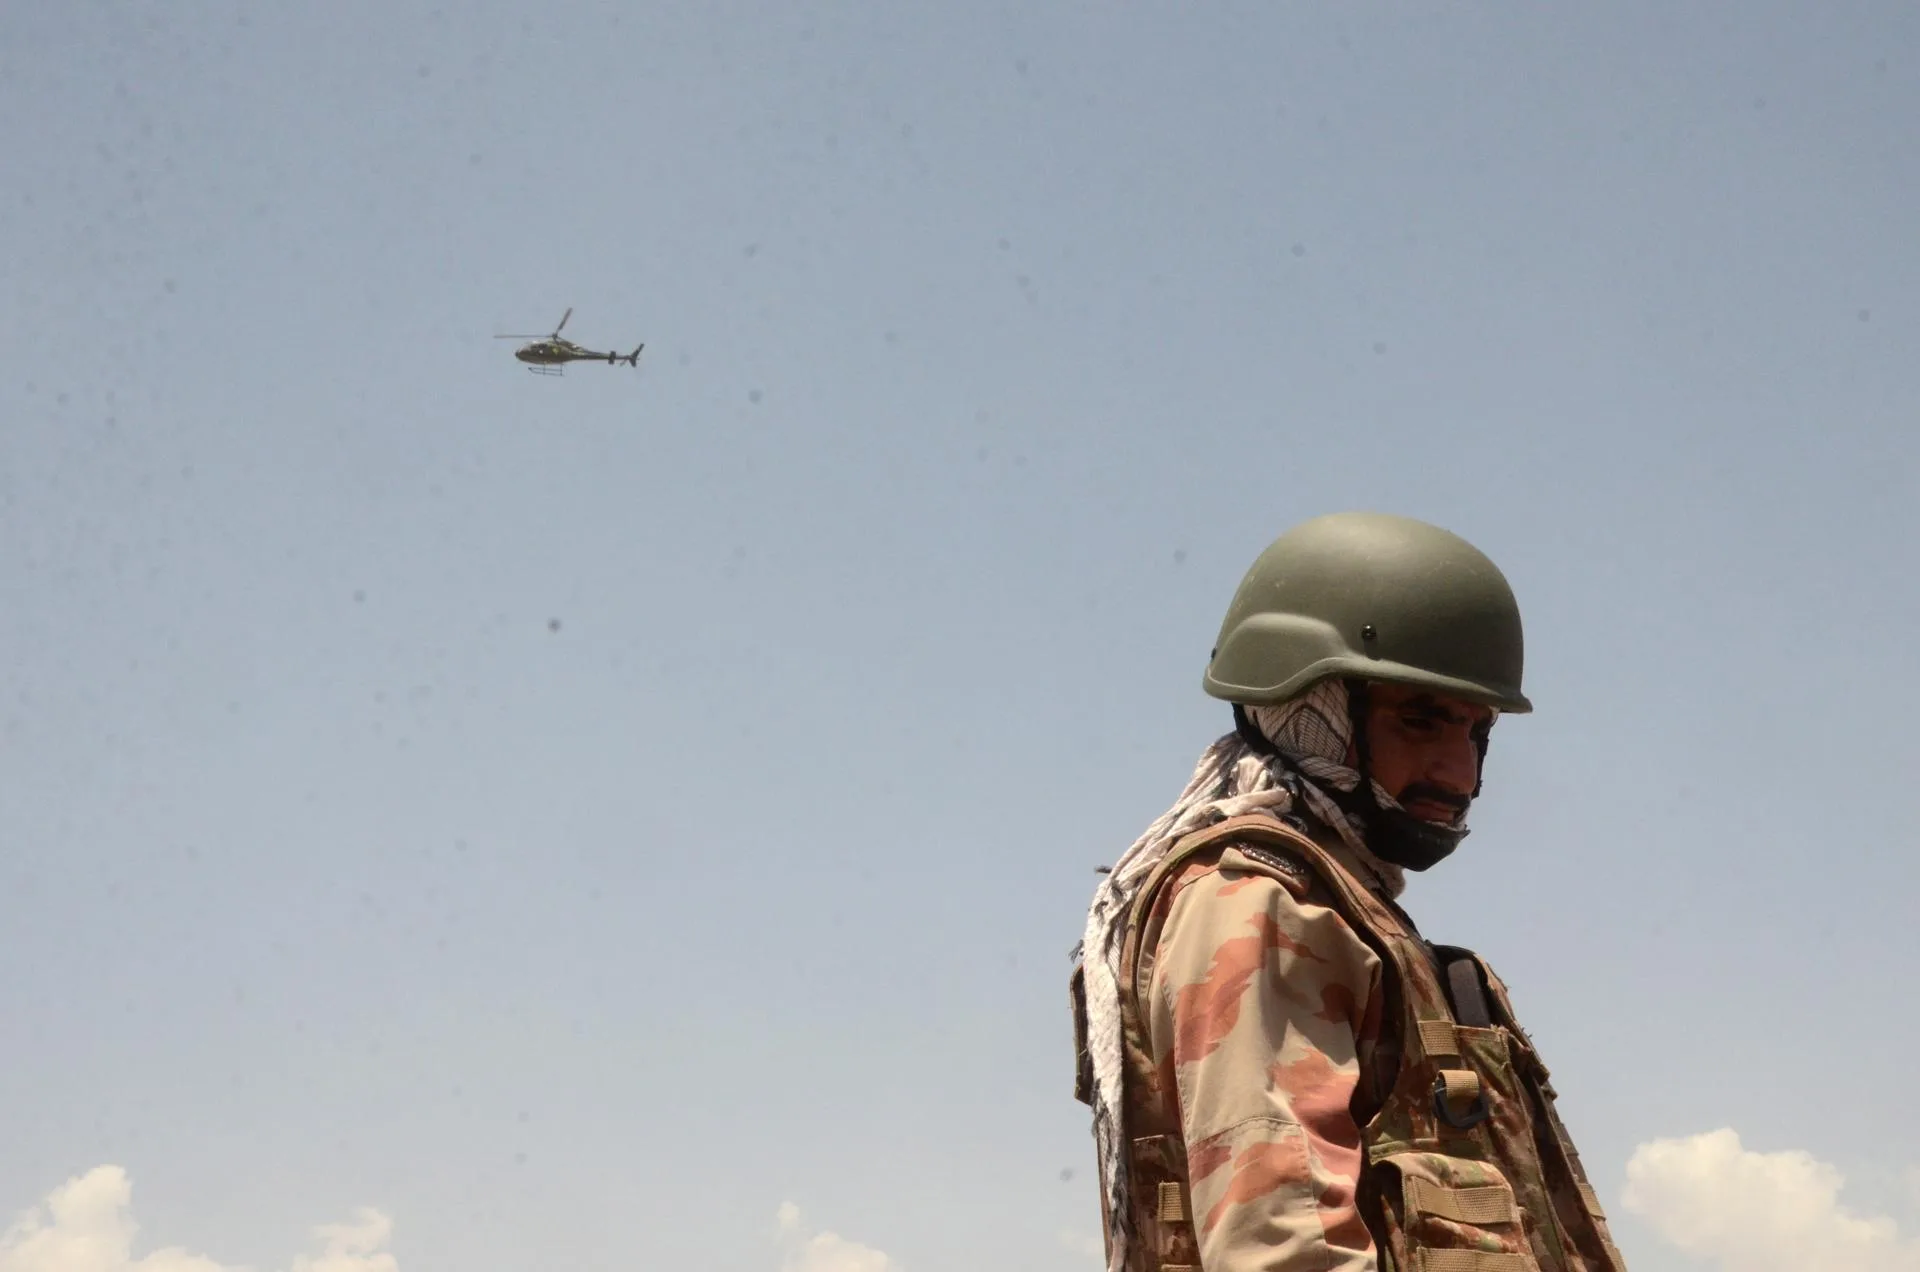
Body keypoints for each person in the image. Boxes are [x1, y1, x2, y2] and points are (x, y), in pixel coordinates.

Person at [1071, 512, 1628, 1272]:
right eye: (1420, 721)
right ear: (1311, 713)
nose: (1461, 772)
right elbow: (1285, 1247)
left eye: (1476, 732)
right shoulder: (1256, 902)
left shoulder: (1340, 908)